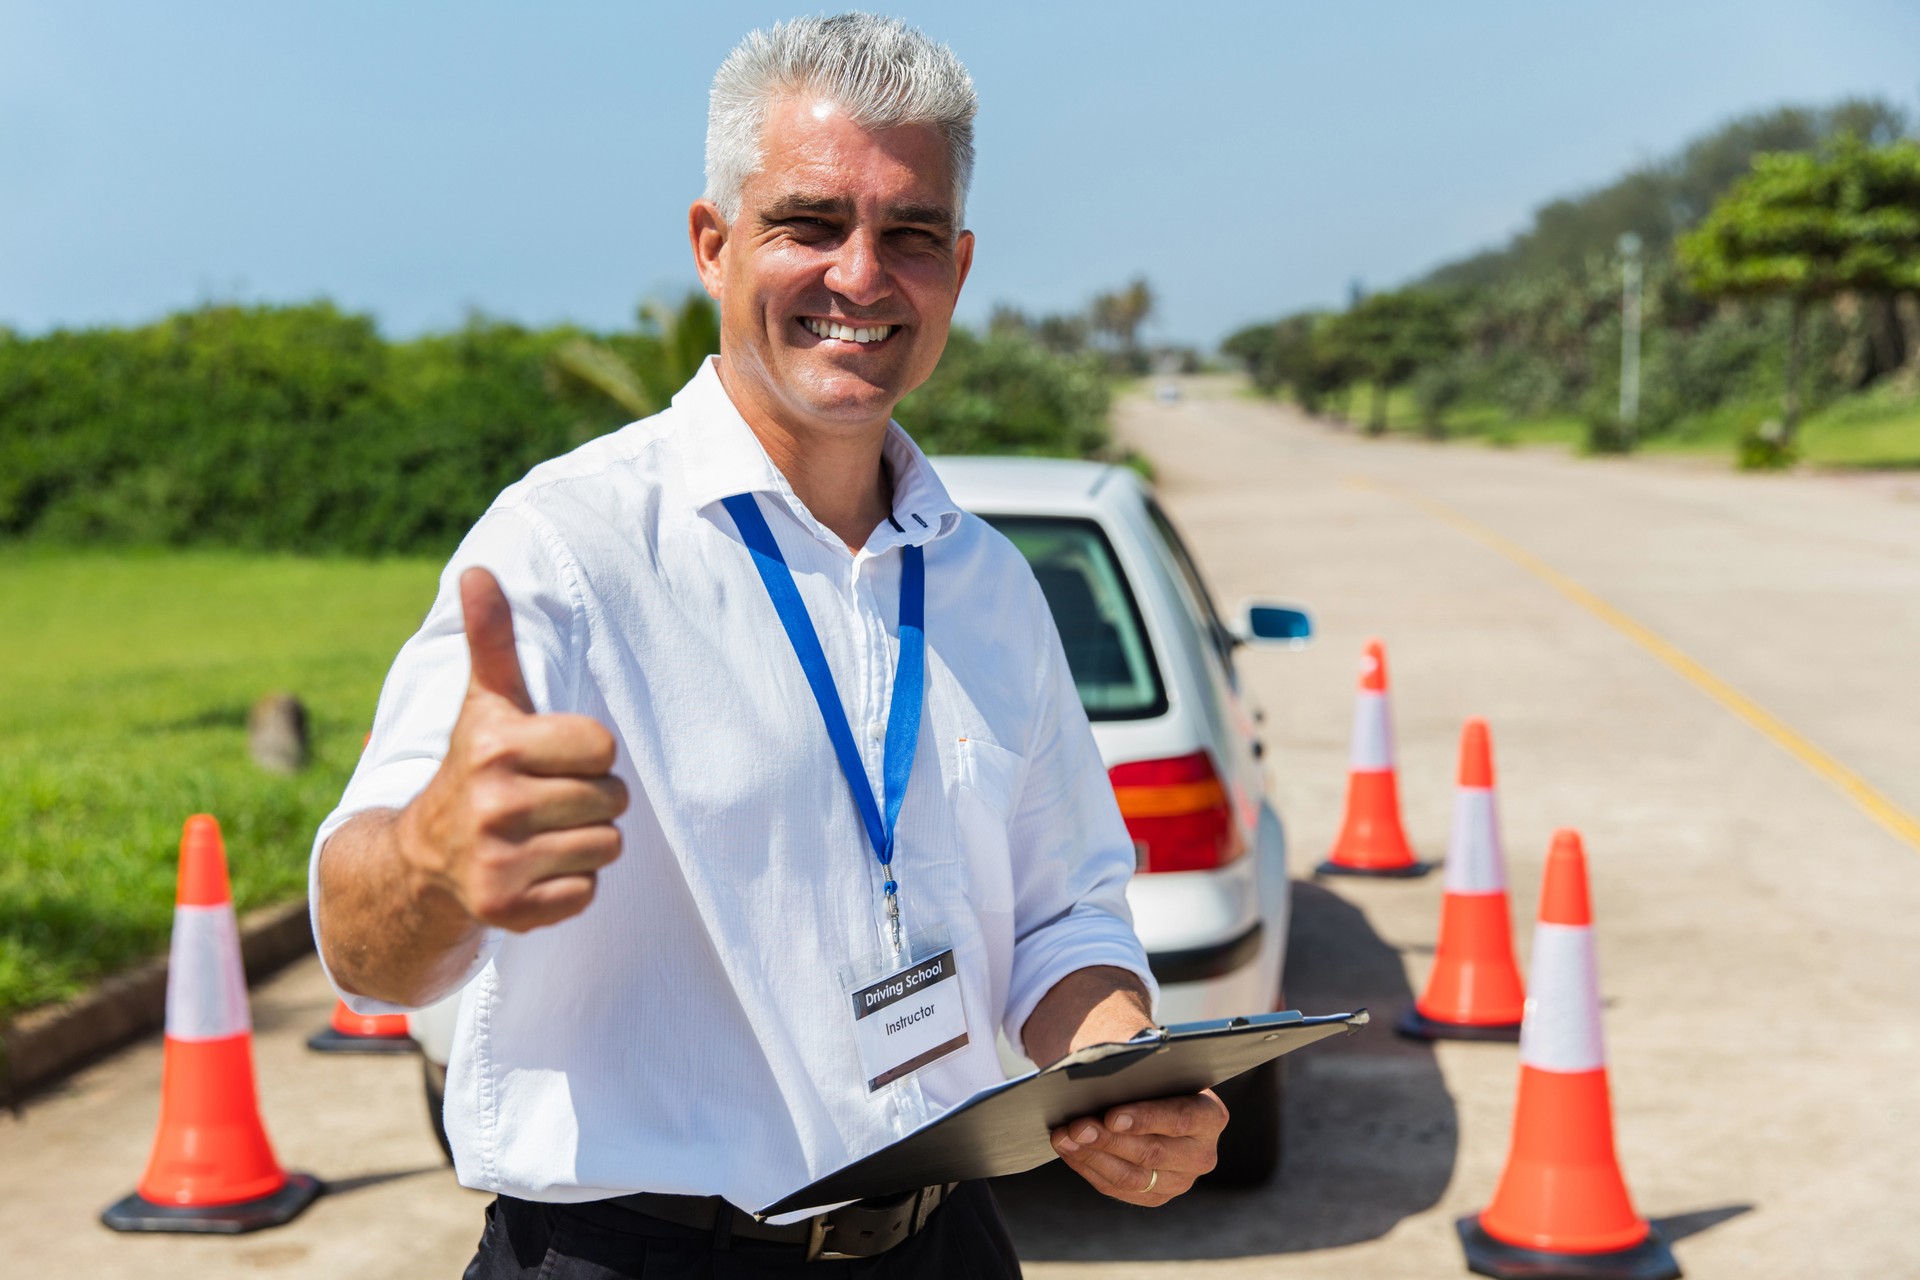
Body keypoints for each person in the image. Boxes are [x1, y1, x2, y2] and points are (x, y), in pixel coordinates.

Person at [310, 14, 1226, 1276]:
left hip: (942, 1241)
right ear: (712, 243)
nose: (861, 275)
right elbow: (361, 941)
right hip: (636, 1254)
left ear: (956, 268)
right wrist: (430, 855)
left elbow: (1065, 908)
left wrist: (1119, 1069)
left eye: (908, 234)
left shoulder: (987, 581)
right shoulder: (567, 549)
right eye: (809, 222)